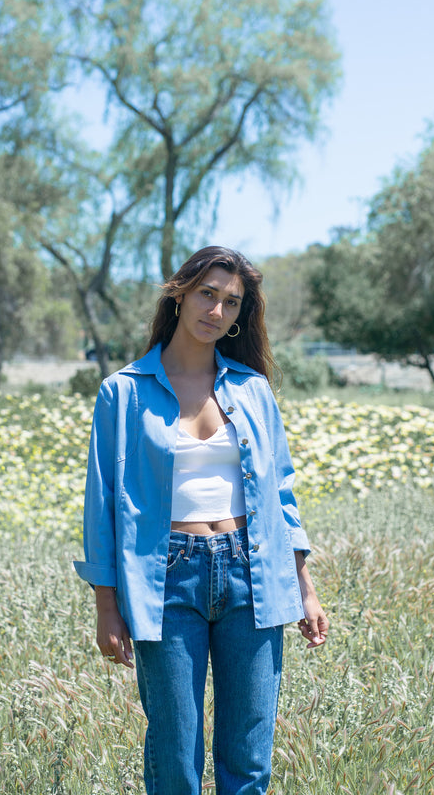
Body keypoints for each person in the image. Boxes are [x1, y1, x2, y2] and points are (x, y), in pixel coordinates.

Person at [74, 246, 329, 795]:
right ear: (180, 294)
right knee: (176, 758)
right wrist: (106, 605)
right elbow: (102, 504)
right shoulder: (123, 391)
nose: (217, 311)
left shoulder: (252, 390)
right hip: (165, 578)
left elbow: (280, 492)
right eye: (207, 294)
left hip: (252, 575)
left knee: (250, 757)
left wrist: (303, 586)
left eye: (231, 302)